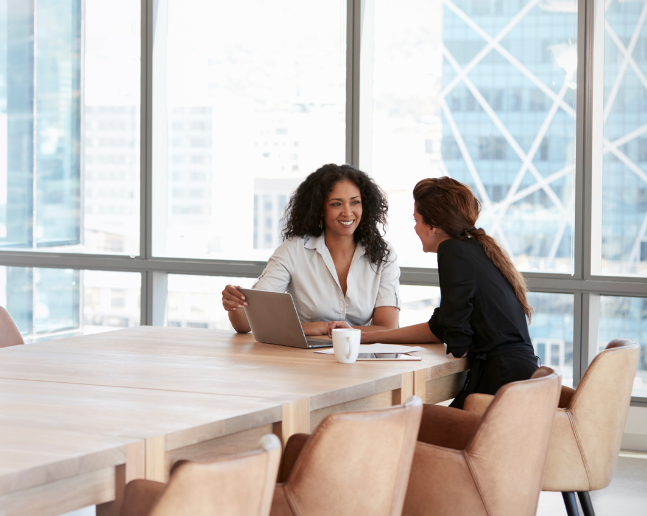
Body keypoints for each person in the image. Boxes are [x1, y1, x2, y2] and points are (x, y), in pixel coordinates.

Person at [362, 176, 539, 408]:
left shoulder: (452, 250)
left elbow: (457, 337)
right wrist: (367, 336)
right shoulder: (476, 248)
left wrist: (458, 340)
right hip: (519, 374)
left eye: (416, 220)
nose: (415, 227)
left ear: (432, 226)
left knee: (411, 421)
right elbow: (440, 327)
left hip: (500, 380)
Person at [221, 164, 401, 337]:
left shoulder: (383, 255)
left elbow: (387, 327)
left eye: (355, 202)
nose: (347, 212)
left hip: (361, 359)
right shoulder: (293, 251)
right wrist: (234, 302)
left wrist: (329, 331)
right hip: (304, 361)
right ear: (320, 209)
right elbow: (246, 322)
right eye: (336, 204)